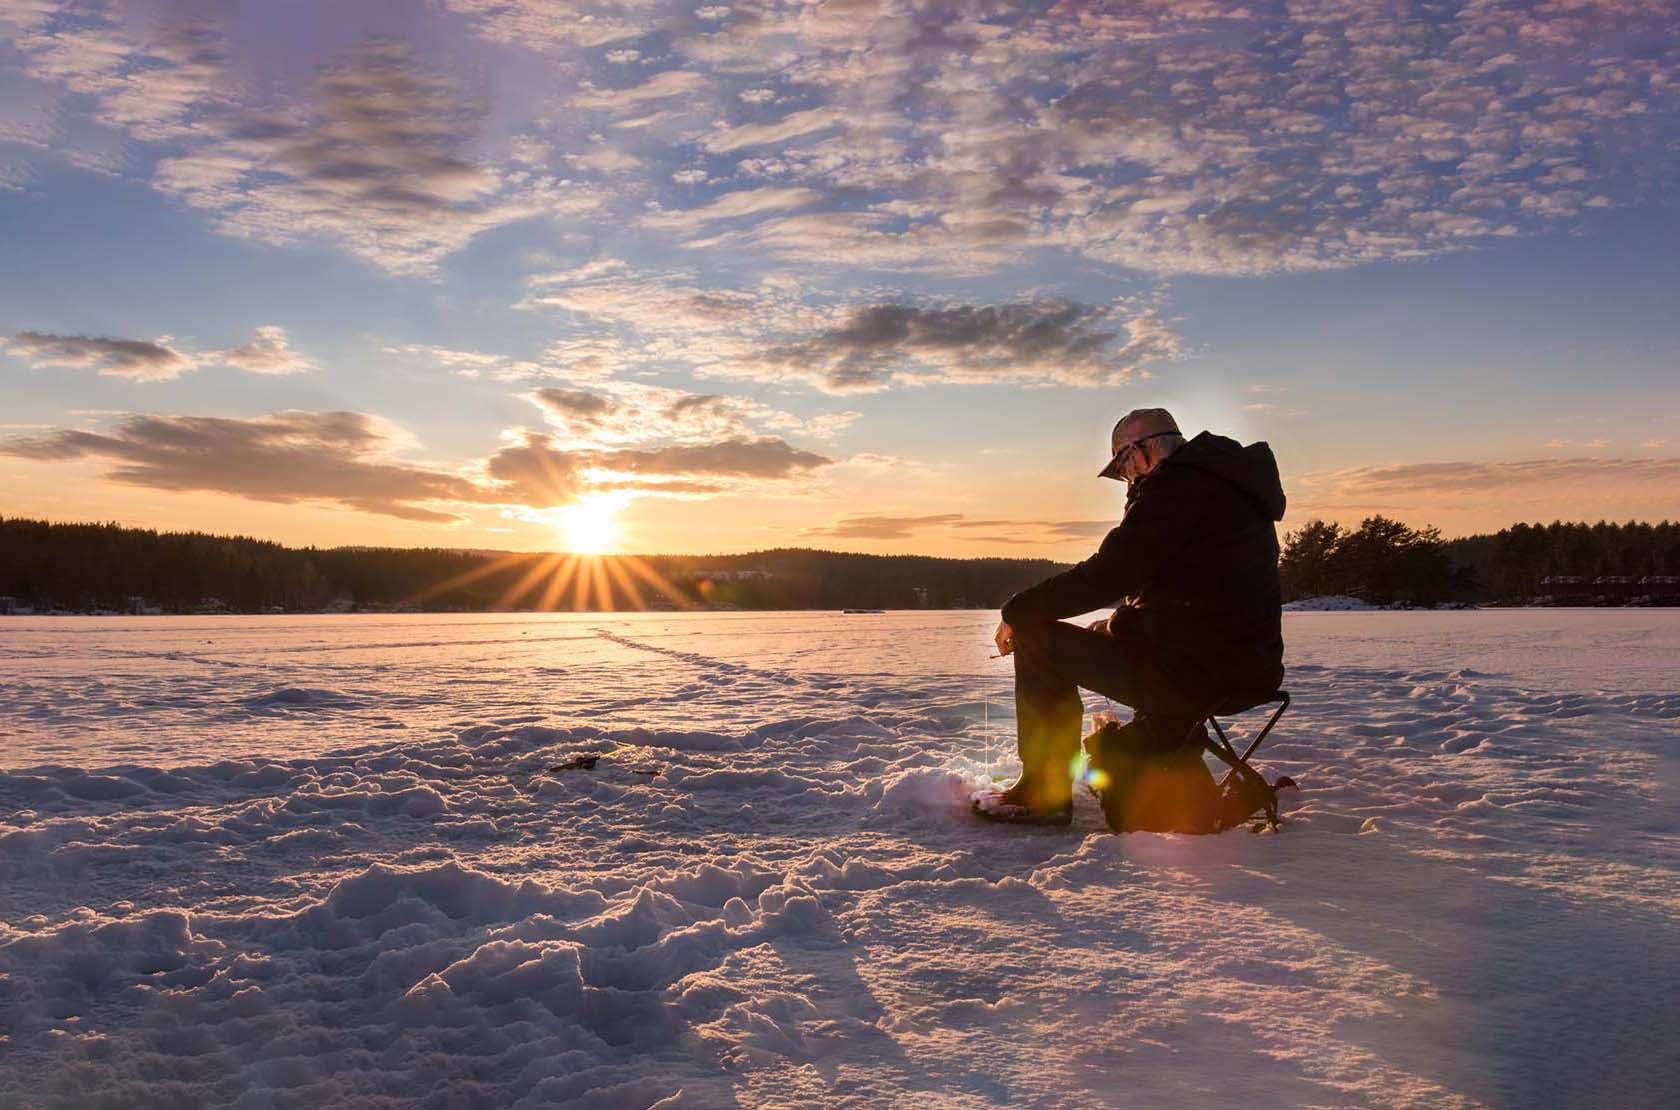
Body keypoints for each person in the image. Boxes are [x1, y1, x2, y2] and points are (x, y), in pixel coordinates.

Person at [973, 408, 1286, 828]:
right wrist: (1116, 626)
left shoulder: (1176, 488)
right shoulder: (1223, 485)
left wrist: (1018, 610)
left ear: (1140, 451)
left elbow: (1110, 574)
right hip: (1243, 668)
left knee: (1038, 642)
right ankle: (1158, 773)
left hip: (1193, 674)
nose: (1127, 479)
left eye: (1123, 466)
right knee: (1104, 639)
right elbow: (1192, 594)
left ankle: (1043, 793)